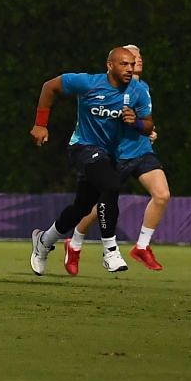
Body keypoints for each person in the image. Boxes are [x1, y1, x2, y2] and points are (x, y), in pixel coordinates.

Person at [28, 47, 147, 276]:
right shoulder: (87, 82)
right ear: (109, 65)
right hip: (81, 147)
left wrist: (138, 124)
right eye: (124, 64)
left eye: (132, 64)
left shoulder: (138, 91)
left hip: (109, 154)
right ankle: (110, 251)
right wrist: (41, 124)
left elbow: (149, 124)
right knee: (111, 185)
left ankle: (43, 241)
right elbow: (49, 87)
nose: (130, 69)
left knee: (81, 207)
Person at [68, 45, 167, 273]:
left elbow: (144, 121)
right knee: (97, 207)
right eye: (133, 57)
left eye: (139, 57)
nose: (137, 60)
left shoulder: (142, 89)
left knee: (162, 194)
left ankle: (142, 246)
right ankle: (74, 243)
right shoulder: (109, 87)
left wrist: (146, 129)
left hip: (141, 151)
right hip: (118, 154)